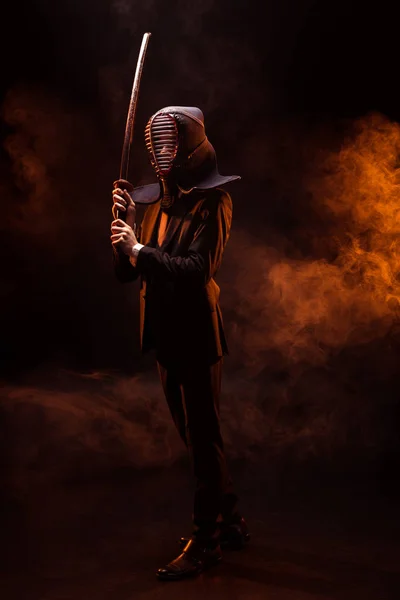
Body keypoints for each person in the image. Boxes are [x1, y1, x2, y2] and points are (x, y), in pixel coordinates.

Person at [110, 106, 249, 581]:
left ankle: (206, 541)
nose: (162, 152)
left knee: (204, 440)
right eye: (158, 145)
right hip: (165, 335)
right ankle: (230, 522)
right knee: (195, 439)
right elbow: (128, 273)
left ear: (189, 146)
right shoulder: (155, 205)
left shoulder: (215, 204)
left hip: (196, 335)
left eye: (170, 143)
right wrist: (125, 234)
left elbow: (193, 274)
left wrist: (139, 250)